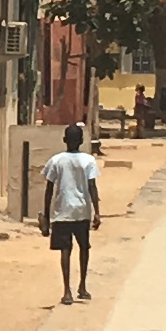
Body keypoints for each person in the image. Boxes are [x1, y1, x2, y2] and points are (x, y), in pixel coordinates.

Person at [40, 124, 103, 303]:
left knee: (65, 251)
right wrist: (97, 212)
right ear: (82, 141)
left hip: (62, 212)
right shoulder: (88, 160)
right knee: (84, 248)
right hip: (82, 211)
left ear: (64, 140)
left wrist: (46, 214)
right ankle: (82, 286)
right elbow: (92, 187)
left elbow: (49, 189)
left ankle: (67, 291)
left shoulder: (56, 161)